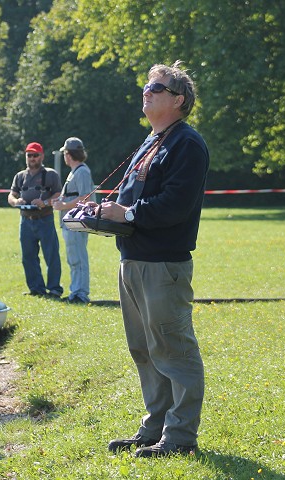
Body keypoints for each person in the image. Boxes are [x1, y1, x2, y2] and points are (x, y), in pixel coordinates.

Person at [98, 61, 209, 457]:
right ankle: (156, 428)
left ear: (178, 100)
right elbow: (131, 200)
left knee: (173, 350)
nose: (146, 91)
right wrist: (100, 212)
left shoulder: (187, 144)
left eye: (156, 88)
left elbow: (175, 205)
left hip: (164, 265)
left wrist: (125, 214)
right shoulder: (150, 141)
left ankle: (180, 438)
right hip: (133, 260)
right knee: (144, 348)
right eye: (146, 86)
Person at [8, 142, 63, 298]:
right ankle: (36, 289)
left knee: (51, 255)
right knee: (28, 257)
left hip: (44, 219)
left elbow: (59, 194)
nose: (32, 158)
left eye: (35, 155)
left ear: (42, 156)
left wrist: (44, 202)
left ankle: (54, 289)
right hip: (25, 221)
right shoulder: (20, 176)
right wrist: (16, 202)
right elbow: (11, 195)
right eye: (29, 155)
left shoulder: (51, 174)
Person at [52, 137, 95, 304]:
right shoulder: (75, 171)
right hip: (70, 223)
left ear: (68, 155)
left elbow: (85, 197)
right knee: (73, 259)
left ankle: (81, 294)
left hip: (77, 223)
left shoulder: (82, 171)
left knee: (78, 259)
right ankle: (75, 291)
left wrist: (63, 206)